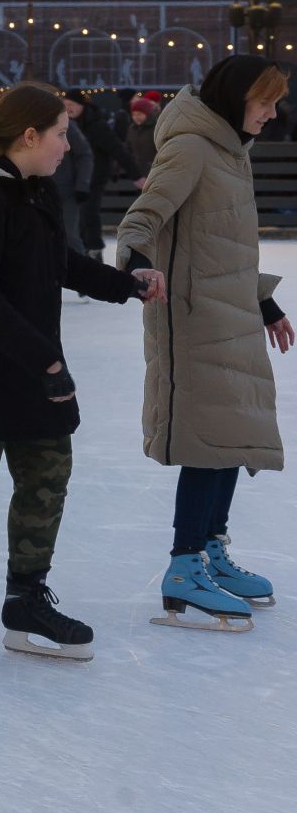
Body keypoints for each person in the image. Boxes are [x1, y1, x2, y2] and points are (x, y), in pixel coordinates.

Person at [0, 85, 164, 672]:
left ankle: (24, 601)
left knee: (47, 476)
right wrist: (46, 360)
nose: (68, 146)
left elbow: (59, 263)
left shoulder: (34, 193)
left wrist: (126, 284)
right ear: (28, 136)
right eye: (61, 134)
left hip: (26, 369)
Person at [117, 55, 291, 630]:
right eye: (264, 101)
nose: (272, 112)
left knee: (232, 438)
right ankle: (184, 567)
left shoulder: (228, 150)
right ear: (235, 97)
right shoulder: (192, 148)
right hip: (191, 318)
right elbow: (142, 219)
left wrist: (262, 301)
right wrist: (136, 266)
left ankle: (210, 550)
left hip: (230, 312)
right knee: (207, 441)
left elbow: (223, 241)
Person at [64, 90, 136, 260]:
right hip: (75, 179)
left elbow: (117, 150)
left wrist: (136, 175)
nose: (68, 109)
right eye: (65, 105)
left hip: (95, 177)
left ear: (82, 105)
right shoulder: (65, 125)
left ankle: (94, 248)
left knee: (89, 212)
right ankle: (81, 251)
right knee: (77, 217)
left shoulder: (97, 126)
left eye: (71, 105)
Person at [48, 93, 94, 253]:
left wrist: (82, 185)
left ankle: (81, 273)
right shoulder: (34, 126)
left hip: (67, 191)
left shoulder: (67, 126)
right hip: (43, 189)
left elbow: (85, 155)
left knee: (69, 235)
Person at [127, 94, 161, 184]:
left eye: (139, 114)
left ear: (147, 114)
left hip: (154, 173)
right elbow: (128, 148)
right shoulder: (132, 129)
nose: (136, 117)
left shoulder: (156, 128)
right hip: (137, 174)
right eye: (134, 114)